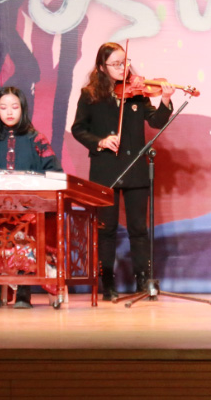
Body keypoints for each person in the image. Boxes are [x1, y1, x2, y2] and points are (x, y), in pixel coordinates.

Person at [71, 42, 174, 301]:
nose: (122, 68)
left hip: (136, 168)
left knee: (138, 229)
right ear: (101, 67)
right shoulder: (90, 94)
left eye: (125, 62)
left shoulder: (137, 92)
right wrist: (101, 141)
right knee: (106, 230)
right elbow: (78, 129)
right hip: (105, 170)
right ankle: (108, 282)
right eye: (116, 64)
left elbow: (156, 121)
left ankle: (143, 280)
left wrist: (165, 99)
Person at [0, 86, 61, 309]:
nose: (9, 112)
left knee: (24, 231)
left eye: (14, 107)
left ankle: (23, 292)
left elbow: (54, 172)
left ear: (23, 109)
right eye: (3, 107)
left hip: (30, 211)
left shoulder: (36, 139)